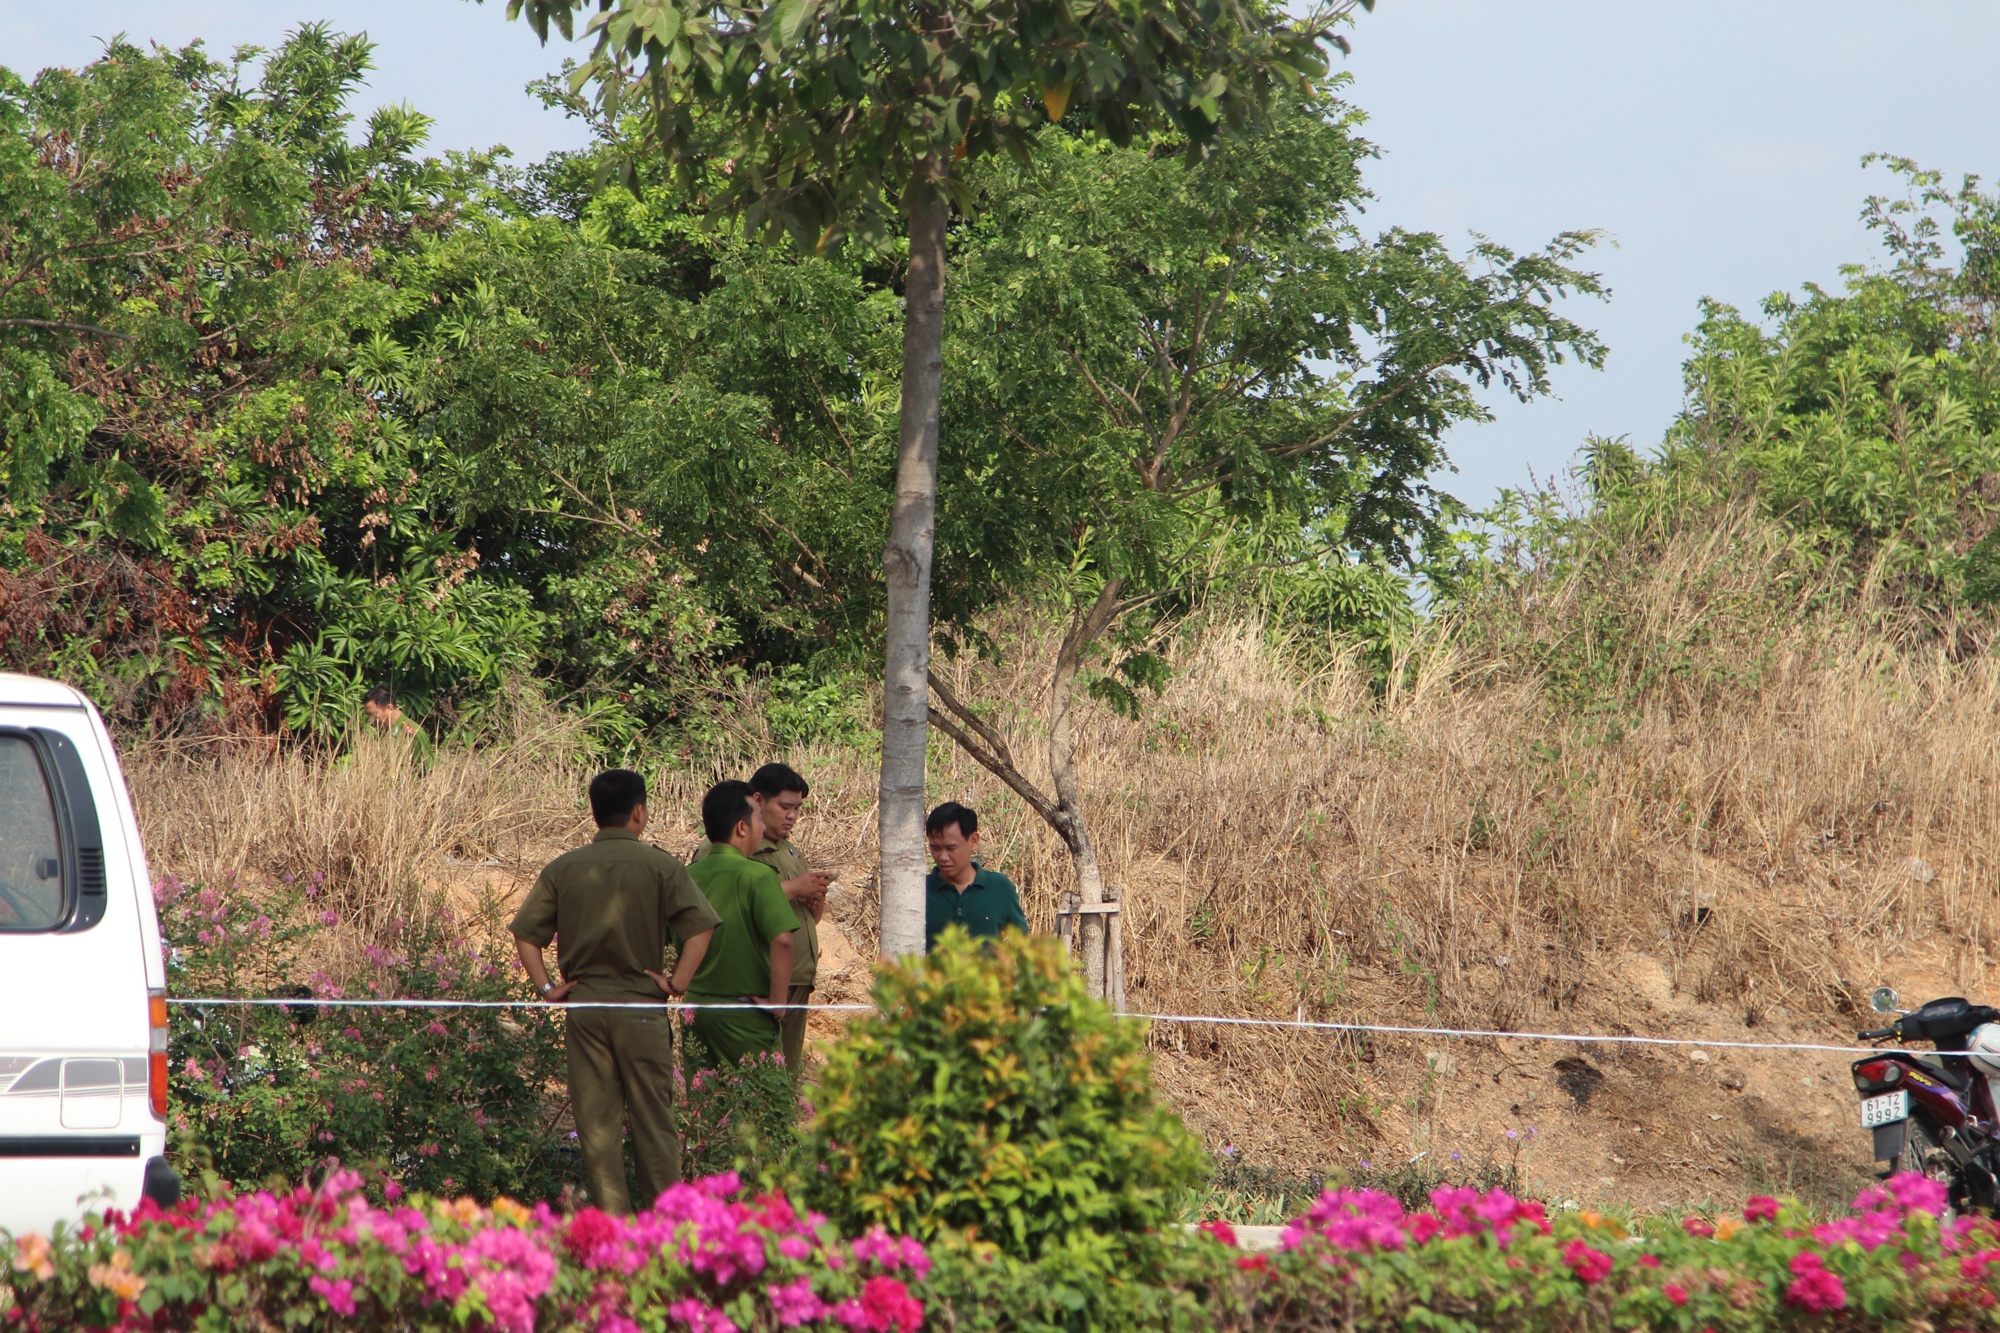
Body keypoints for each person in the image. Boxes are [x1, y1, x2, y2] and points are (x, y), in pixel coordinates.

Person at [508, 769, 719, 1215]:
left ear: (594, 813)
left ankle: (614, 1232)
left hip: (586, 1009)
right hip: (642, 1007)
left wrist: (547, 987)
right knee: (655, 1123)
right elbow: (700, 928)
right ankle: (667, 1227)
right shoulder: (662, 866)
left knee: (598, 1128)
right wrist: (676, 982)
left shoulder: (564, 867)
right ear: (639, 813)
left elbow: (526, 936)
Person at [692, 762, 832, 1073]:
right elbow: (724, 898)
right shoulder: (726, 846)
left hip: (795, 980)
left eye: (797, 808)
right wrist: (795, 887)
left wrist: (814, 901)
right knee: (752, 1075)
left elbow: (797, 917)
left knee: (785, 1071)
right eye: (784, 806)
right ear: (757, 800)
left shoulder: (790, 851)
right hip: (758, 984)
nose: (792, 816)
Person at [684, 780, 799, 1069]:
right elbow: (783, 941)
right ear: (741, 828)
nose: (762, 827)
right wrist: (777, 1002)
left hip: (696, 1009)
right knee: (764, 1104)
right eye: (758, 817)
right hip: (745, 1013)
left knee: (705, 1104)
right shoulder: (759, 876)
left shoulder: (687, 876)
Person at [924, 802, 1028, 950]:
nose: (942, 857)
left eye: (950, 848)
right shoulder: (921, 891)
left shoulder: (1000, 888)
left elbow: (1023, 945)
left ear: (973, 841)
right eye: (935, 848)